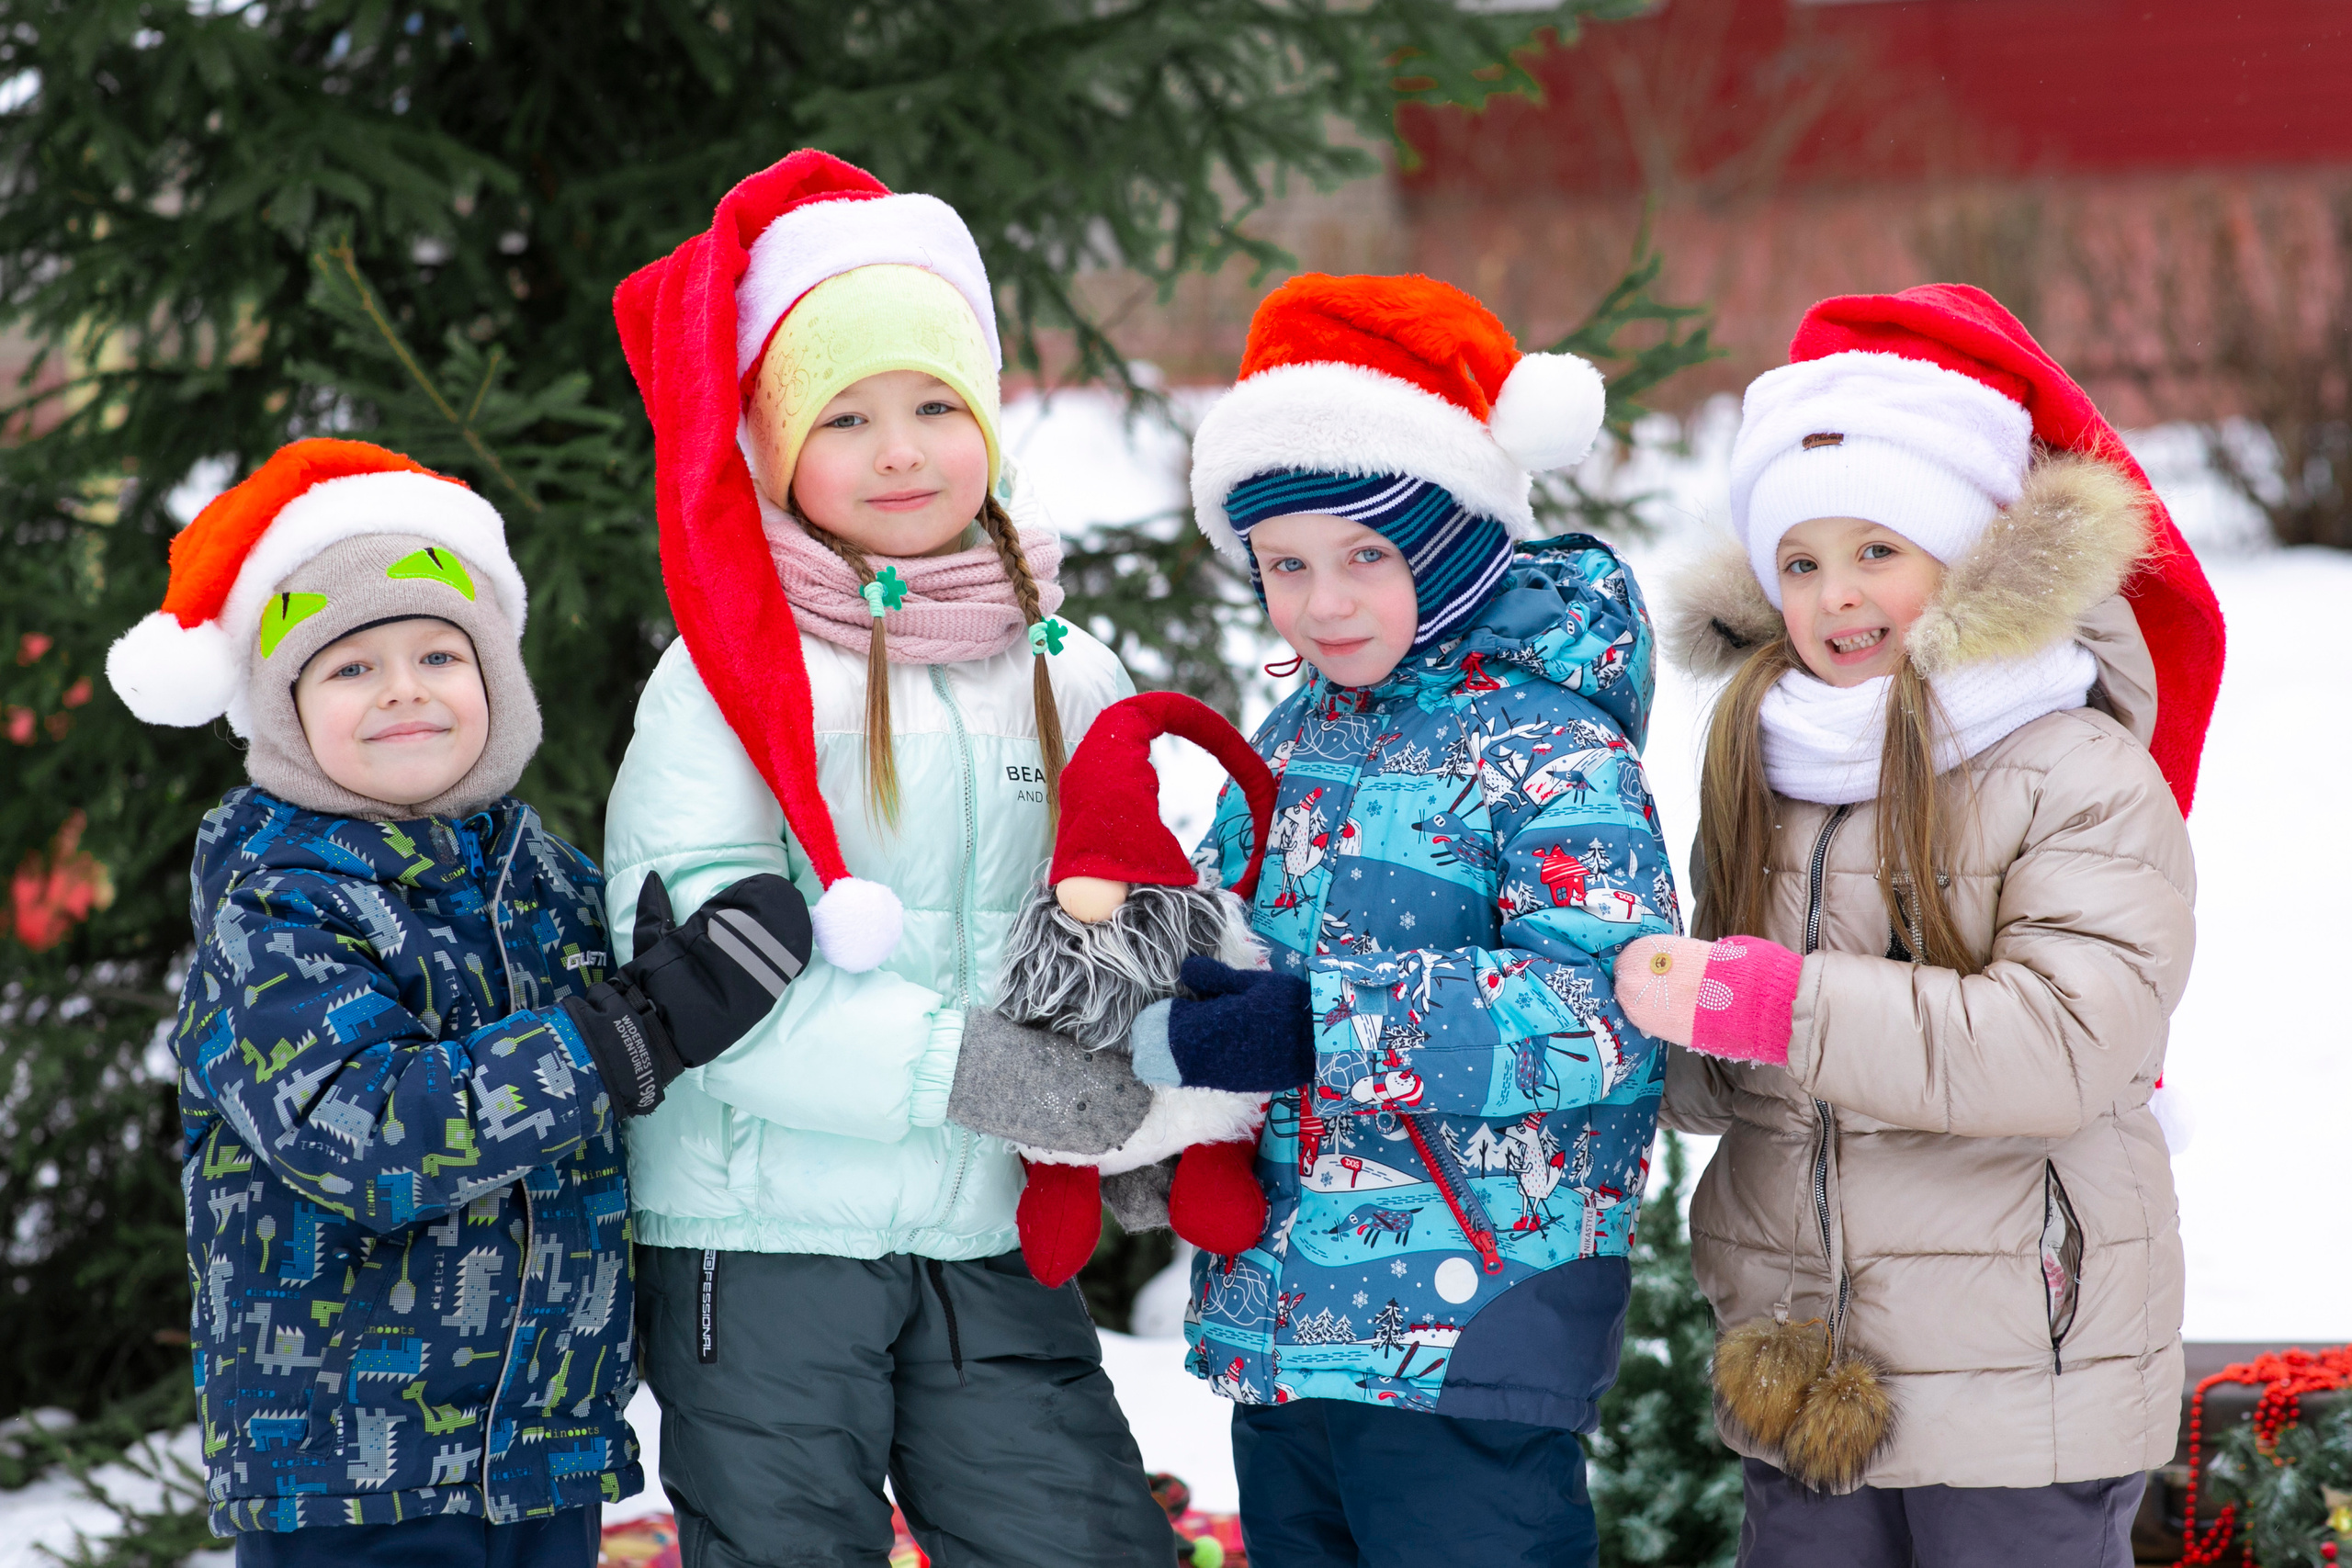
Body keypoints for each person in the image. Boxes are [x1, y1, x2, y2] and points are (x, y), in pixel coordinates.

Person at [605, 151, 1171, 1567]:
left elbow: (1132, 906)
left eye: (935, 404)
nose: (903, 449)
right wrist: (972, 1068)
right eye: (846, 416)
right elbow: (693, 978)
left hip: (985, 1225)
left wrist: (1159, 1090)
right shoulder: (724, 679)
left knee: (1081, 1538)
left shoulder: (1067, 668)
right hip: (763, 1226)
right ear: (775, 447)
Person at [104, 439, 809, 1566]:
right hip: (347, 1474)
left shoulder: (557, 881)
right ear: (281, 715)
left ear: (497, 680)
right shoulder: (274, 910)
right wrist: (633, 1030)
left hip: (545, 1450)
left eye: (440, 650)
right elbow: (372, 1135)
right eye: (347, 667)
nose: (403, 689)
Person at [1611, 284, 2226, 1568]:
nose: (1838, 595)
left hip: (2022, 1368)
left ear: (1975, 554)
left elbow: (2068, 1042)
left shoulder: (2072, 766)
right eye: (1801, 559)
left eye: (1879, 547)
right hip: (1810, 1361)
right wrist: (1628, 1012)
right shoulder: (1767, 768)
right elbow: (1736, 1078)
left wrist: (1771, 1000)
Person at [1148, 272, 1674, 1568]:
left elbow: (1606, 1013)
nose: (1323, 603)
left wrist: (1313, 1025)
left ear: (1446, 541)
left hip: (1472, 1337)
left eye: (1365, 556)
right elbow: (1230, 961)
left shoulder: (1553, 748)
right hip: (1284, 1329)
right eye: (1286, 565)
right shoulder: (1292, 735)